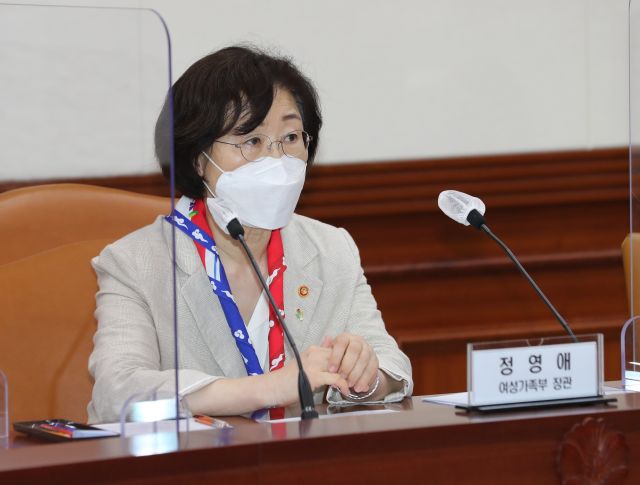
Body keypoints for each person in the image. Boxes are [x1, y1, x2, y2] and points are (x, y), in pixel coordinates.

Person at [88, 45, 412, 423]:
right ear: (198, 158)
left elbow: (392, 365)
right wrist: (267, 389)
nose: (276, 159)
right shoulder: (135, 263)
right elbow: (117, 394)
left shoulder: (331, 247)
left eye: (290, 137)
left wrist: (366, 377)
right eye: (252, 141)